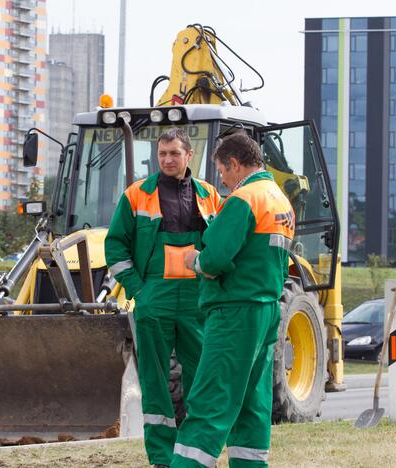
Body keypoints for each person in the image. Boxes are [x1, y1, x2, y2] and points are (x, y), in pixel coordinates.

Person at [172, 132, 295, 468]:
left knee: (212, 397)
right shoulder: (280, 201)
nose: (222, 181)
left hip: (233, 312)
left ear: (236, 164)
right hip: (267, 310)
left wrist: (195, 260)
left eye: (223, 172)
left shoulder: (244, 199)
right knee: (252, 402)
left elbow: (216, 258)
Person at [105, 127, 221, 467]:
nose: (167, 160)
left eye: (174, 153)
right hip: (154, 297)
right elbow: (115, 245)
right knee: (155, 379)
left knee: (201, 375)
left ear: (189, 155)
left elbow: (222, 245)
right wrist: (138, 289)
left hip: (198, 299)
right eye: (162, 154)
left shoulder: (210, 196)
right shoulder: (136, 195)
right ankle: (161, 457)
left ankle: (196, 451)